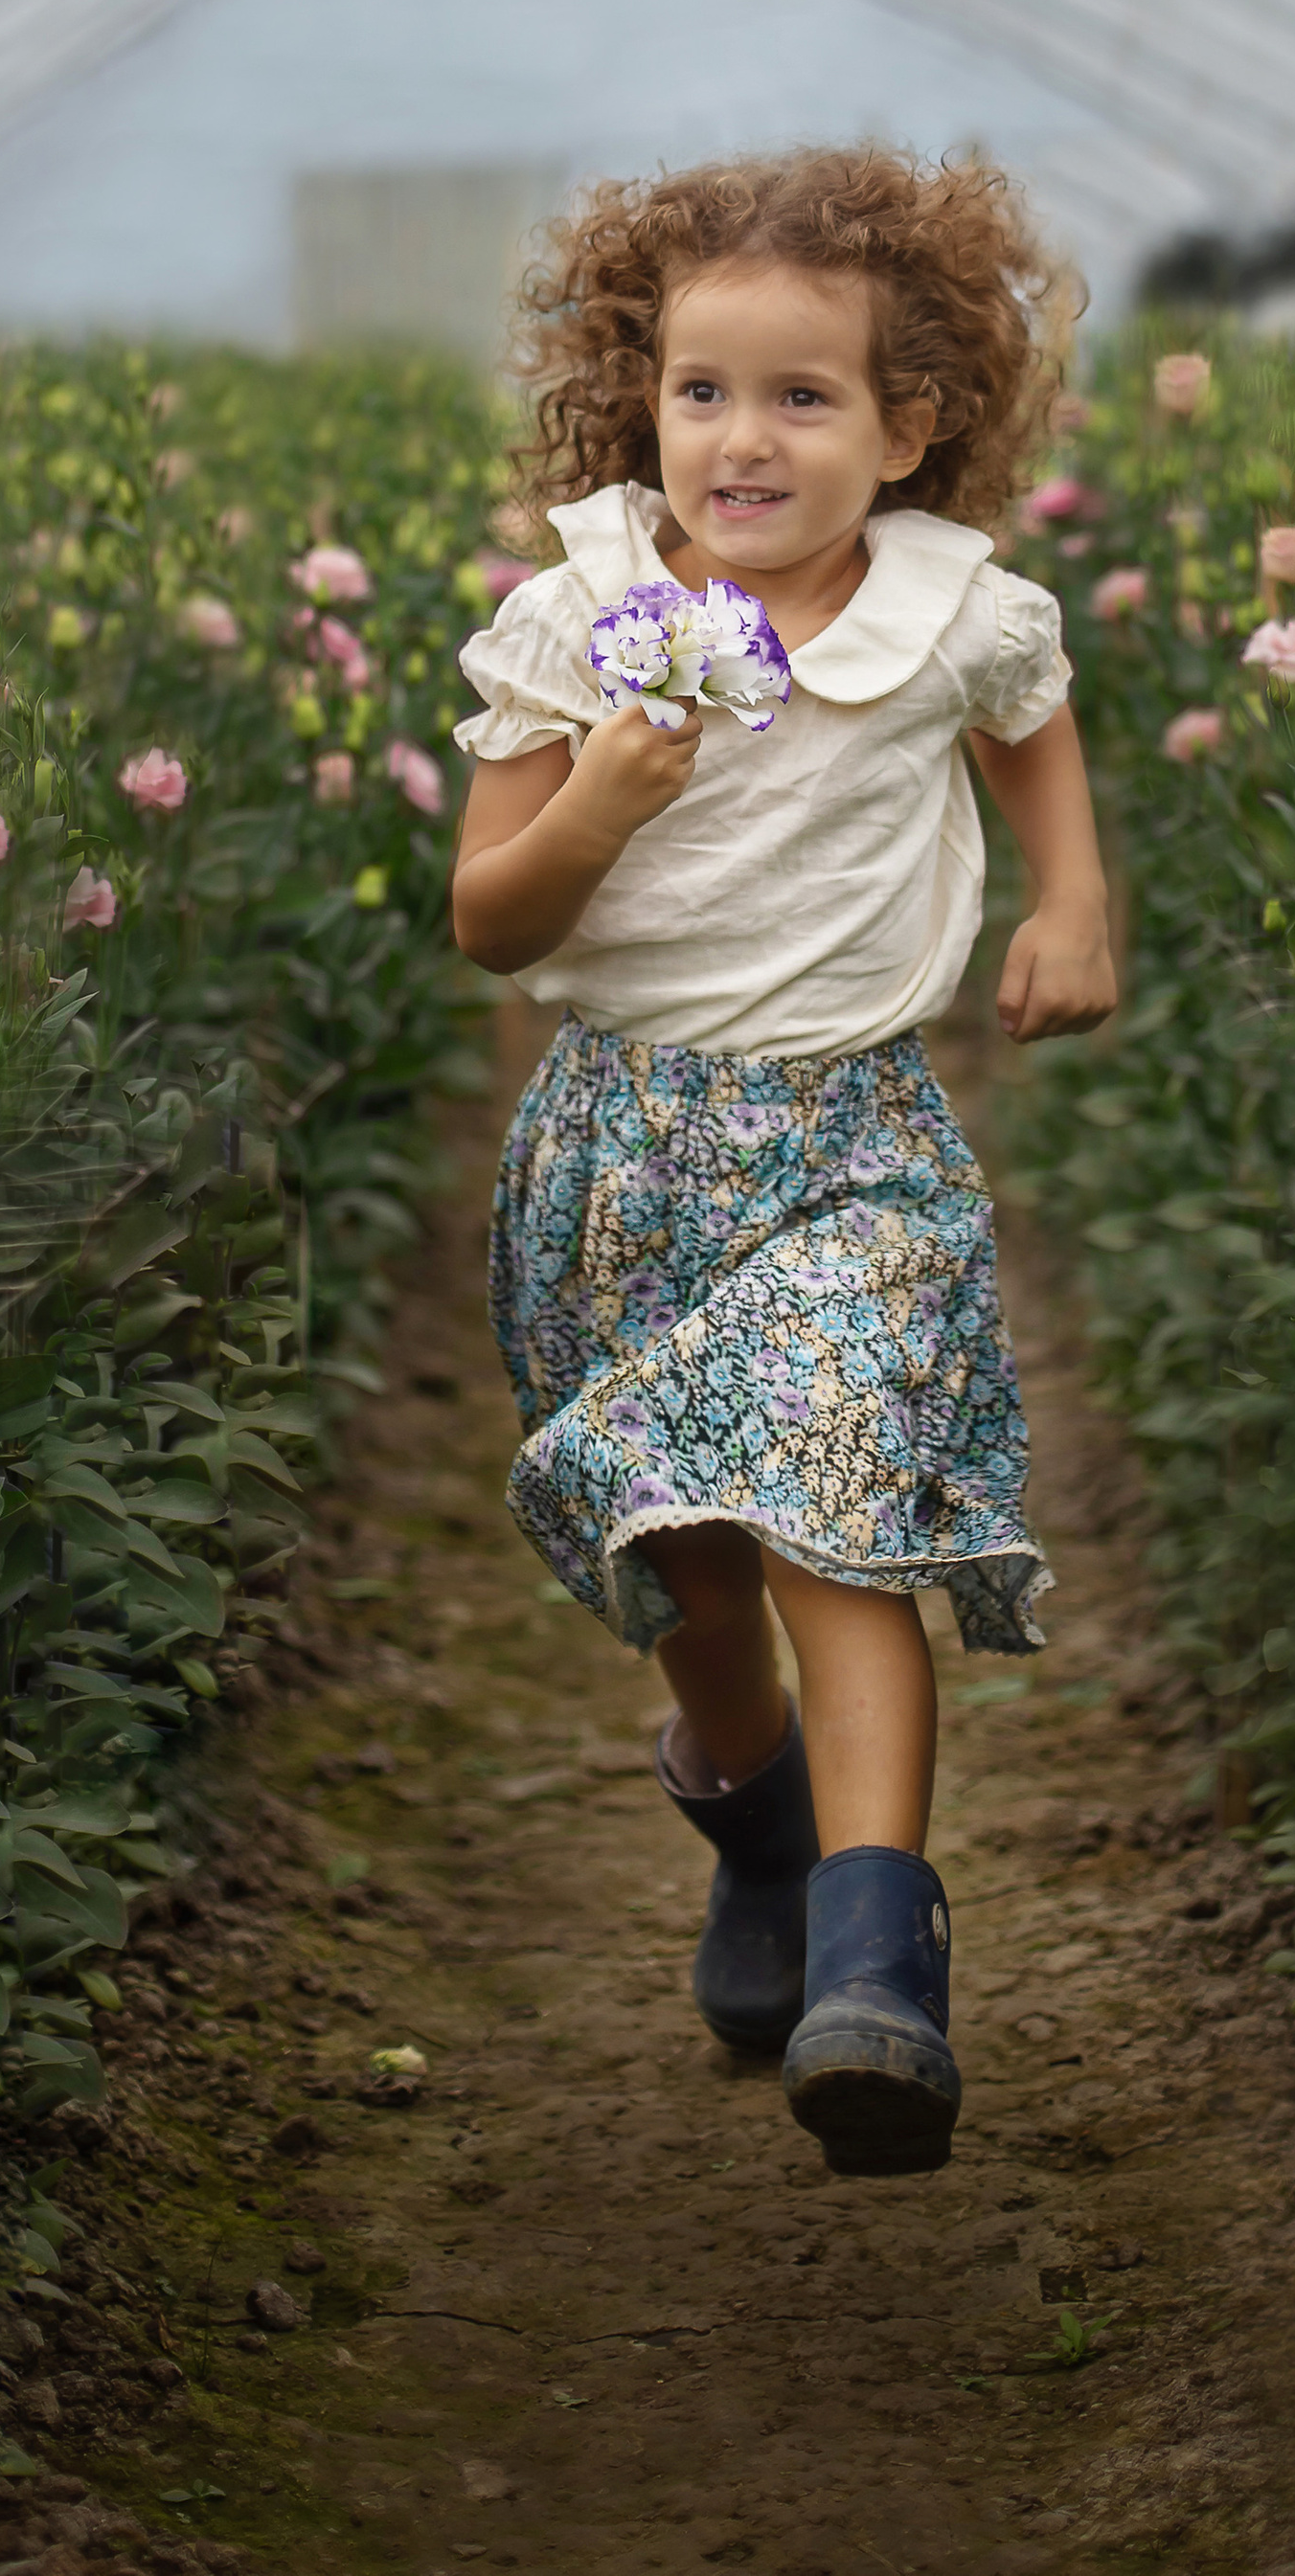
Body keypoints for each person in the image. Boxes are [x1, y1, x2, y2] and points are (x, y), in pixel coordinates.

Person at [449, 148, 1116, 2178]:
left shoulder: (948, 611)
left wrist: (1069, 894)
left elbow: (1023, 721)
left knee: (835, 1505)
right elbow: (492, 920)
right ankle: (755, 1825)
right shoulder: (577, 622)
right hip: (615, 1153)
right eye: (702, 392)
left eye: (805, 398)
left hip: (848, 1144)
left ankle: (875, 1958)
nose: (745, 439)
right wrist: (610, 799)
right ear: (638, 404)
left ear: (907, 428)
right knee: (695, 1562)